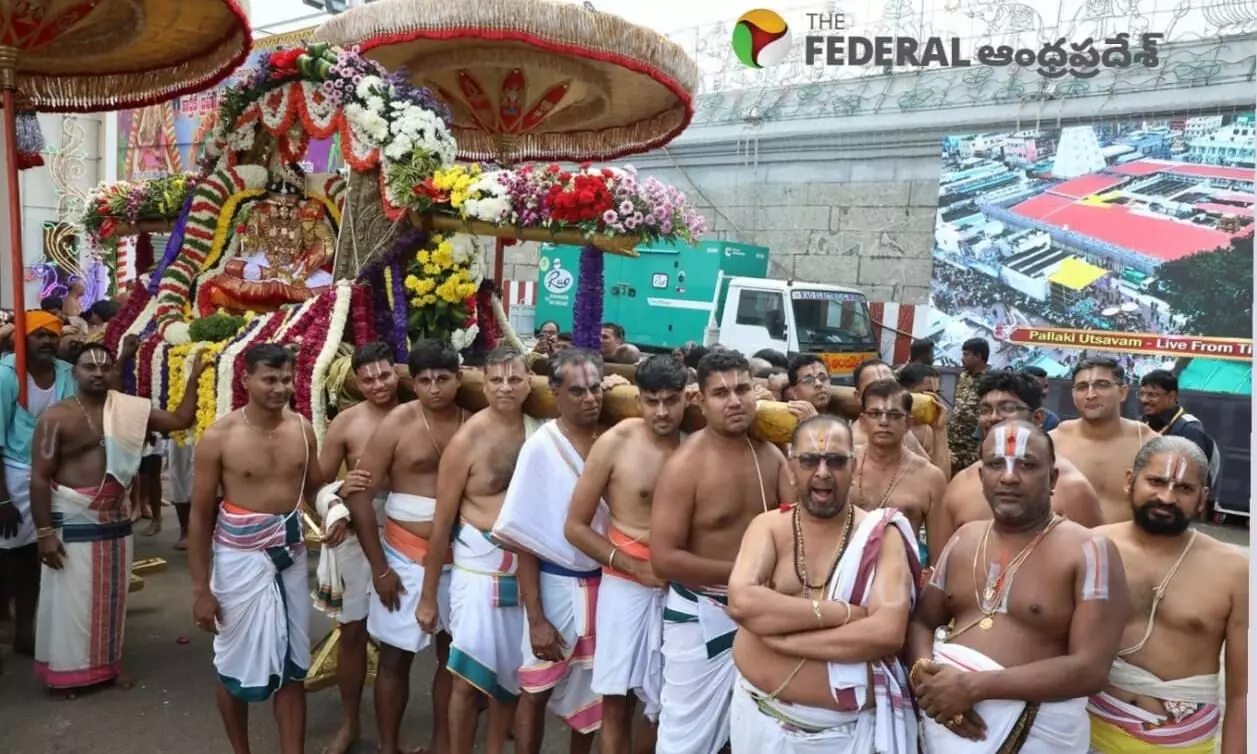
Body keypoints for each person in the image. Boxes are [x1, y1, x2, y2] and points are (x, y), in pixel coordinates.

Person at [905, 419, 1129, 753]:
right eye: (995, 464)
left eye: (1027, 465)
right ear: (981, 477)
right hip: (945, 721)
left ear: (1052, 479)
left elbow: (1090, 669)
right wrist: (926, 679)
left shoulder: (1091, 551)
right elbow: (922, 621)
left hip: (1037, 733)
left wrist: (972, 687)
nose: (1009, 476)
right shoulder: (964, 539)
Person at [726, 415, 921, 753]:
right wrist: (844, 613)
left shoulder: (880, 535)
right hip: (757, 721)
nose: (822, 472)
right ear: (791, 466)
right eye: (809, 460)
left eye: (835, 460)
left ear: (854, 466)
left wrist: (784, 641)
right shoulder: (768, 527)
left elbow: (886, 633)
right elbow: (742, 603)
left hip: (844, 735)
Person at [30, 342, 204, 693]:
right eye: (88, 367)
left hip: (115, 520)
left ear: (114, 371)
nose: (97, 372)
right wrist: (45, 532)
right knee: (73, 602)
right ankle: (69, 674)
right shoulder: (57, 416)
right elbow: (39, 477)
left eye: (105, 367)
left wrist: (194, 377)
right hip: (73, 519)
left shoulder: (129, 410)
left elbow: (180, 421)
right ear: (74, 372)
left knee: (113, 598)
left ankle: (108, 667)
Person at [650, 349, 795, 754]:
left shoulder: (771, 455)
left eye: (743, 389)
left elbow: (798, 529)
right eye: (721, 393)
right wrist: (744, 576)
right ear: (701, 399)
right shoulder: (686, 466)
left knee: (752, 734)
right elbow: (664, 559)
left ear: (757, 393)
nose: (734, 401)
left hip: (763, 616)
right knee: (684, 739)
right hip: (700, 617)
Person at [189, 344, 322, 754]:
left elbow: (315, 489)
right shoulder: (219, 437)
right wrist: (200, 591)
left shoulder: (302, 428)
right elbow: (199, 517)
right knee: (233, 666)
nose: (280, 388)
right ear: (245, 380)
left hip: (291, 559)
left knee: (294, 665)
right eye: (270, 379)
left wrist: (335, 510)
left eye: (286, 379)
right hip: (238, 564)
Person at [1088, 436, 1247, 753]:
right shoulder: (1092, 547)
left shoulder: (1235, 572)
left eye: (1184, 489)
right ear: (1129, 481)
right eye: (1156, 481)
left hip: (1181, 744)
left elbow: (1244, 693)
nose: (1167, 497)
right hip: (1085, 731)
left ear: (1203, 498)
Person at [564, 354, 688, 754]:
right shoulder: (616, 442)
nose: (662, 411)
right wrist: (634, 565)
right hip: (625, 586)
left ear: (689, 398)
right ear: (639, 400)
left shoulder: (699, 441)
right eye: (652, 401)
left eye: (672, 400)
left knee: (667, 702)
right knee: (615, 700)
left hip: (682, 588)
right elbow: (575, 527)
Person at [417, 346, 536, 754]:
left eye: (514, 379)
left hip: (525, 575)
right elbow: (441, 523)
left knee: (511, 681)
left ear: (529, 383)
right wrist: (428, 597)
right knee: (467, 682)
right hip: (476, 574)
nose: (506, 387)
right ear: (483, 383)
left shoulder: (539, 431)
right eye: (497, 380)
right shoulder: (466, 442)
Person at [349, 340, 464, 754]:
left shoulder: (474, 419)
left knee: (452, 658)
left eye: (443, 379)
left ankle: (441, 744)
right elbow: (359, 494)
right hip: (401, 557)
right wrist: (380, 568)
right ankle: (389, 747)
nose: (434, 388)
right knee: (395, 658)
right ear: (412, 383)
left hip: (460, 559)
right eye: (425, 380)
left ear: (459, 378)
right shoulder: (399, 421)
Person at [499, 348, 608, 754]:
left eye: (596, 388)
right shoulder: (542, 448)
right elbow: (527, 538)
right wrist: (536, 618)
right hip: (555, 584)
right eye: (577, 391)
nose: (589, 398)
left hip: (606, 588)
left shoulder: (613, 440)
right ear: (556, 393)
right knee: (537, 687)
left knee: (595, 689)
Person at [310, 342, 399, 754]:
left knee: (407, 635)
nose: (378, 384)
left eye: (384, 375)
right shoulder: (346, 423)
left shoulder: (419, 412)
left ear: (396, 372)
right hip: (356, 534)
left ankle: (392, 735)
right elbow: (317, 484)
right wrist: (338, 494)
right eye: (368, 379)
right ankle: (350, 723)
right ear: (356, 382)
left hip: (410, 531)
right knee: (353, 632)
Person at [930, 371, 1103, 563]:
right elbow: (939, 567)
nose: (993, 417)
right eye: (986, 409)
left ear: (1038, 418)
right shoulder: (962, 483)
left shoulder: (1073, 488)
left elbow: (1093, 566)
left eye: (1007, 408)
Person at [0, 311, 76, 660]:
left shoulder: (65, 373)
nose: (46, 341)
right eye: (38, 335)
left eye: (52, 335)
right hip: (15, 474)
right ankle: (12, 622)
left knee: (42, 556)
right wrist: (2, 500)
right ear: (22, 338)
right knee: (13, 558)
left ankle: (29, 627)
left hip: (55, 473)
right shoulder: (5, 376)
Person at [853, 379, 946, 563]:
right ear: (863, 421)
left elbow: (938, 558)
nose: (884, 422)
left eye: (894, 415)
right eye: (875, 413)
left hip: (904, 577)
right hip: (844, 579)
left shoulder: (929, 477)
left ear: (908, 423)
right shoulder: (843, 464)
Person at [1051, 357, 1151, 524]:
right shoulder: (1051, 443)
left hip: (1124, 549)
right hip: (1063, 546)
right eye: (1082, 387)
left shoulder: (1149, 444)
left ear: (1122, 392)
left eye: (1102, 385)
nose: (1091, 395)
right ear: (1073, 394)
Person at [1137, 370, 1221, 512]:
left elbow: (1191, 479)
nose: (1144, 400)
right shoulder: (1143, 422)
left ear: (1172, 396)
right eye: (1142, 394)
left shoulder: (1189, 429)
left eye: (1152, 395)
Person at [852, 359, 949, 476]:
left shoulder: (901, 432)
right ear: (858, 396)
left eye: (890, 385)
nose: (886, 393)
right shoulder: (850, 441)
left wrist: (939, 430)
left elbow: (938, 481)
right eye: (875, 388)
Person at [947, 336, 989, 471]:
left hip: (971, 445)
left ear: (978, 356)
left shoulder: (989, 380)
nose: (962, 358)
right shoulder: (964, 376)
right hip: (953, 441)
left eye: (966, 354)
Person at [1019, 366, 1060, 431]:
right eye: (1037, 386)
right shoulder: (1004, 415)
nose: (1043, 391)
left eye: (1046, 386)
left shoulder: (1051, 421)